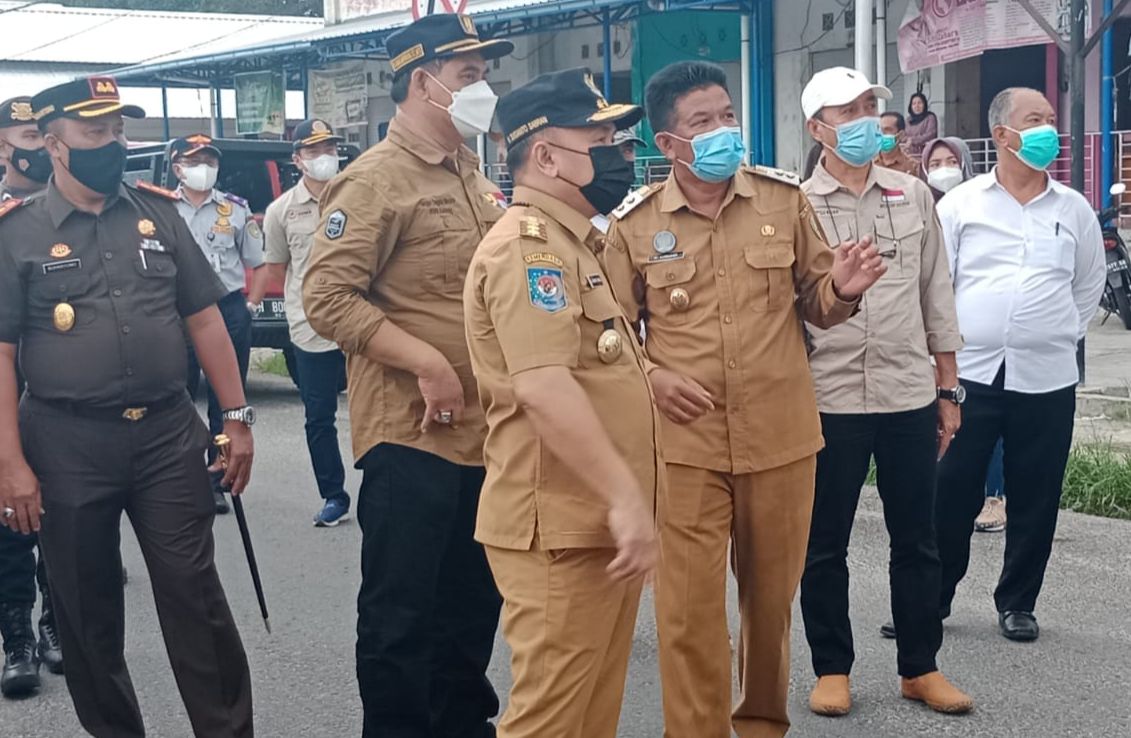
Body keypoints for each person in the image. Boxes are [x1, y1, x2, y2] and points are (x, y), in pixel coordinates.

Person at [603, 60, 886, 738]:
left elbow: (819, 306)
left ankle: (761, 725)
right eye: (703, 122)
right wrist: (650, 377)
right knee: (687, 612)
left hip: (781, 441)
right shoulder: (633, 227)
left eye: (727, 115)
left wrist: (843, 288)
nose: (724, 131)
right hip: (685, 450)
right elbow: (606, 337)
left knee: (769, 607)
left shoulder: (782, 202)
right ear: (667, 144)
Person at [0, 75, 255, 737]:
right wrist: (12, 464)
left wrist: (236, 420)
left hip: (168, 434)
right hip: (64, 441)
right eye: (94, 132)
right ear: (54, 144)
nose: (111, 143)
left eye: (117, 130)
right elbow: (0, 356)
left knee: (196, 597)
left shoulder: (157, 210)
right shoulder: (15, 233)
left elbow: (205, 320)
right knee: (86, 611)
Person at [302, 14, 511, 737]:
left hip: (485, 435)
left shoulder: (474, 177)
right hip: (410, 435)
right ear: (422, 83)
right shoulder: (374, 182)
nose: (483, 88)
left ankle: (462, 726)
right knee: (401, 615)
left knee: (471, 606)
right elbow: (326, 298)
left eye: (484, 73)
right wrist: (425, 362)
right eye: (468, 75)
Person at [465, 67, 661, 738]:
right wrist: (624, 498)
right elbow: (544, 387)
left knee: (588, 718)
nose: (619, 155)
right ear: (545, 155)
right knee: (549, 721)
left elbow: (593, 366)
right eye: (600, 139)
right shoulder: (529, 252)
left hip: (589, 523)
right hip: (559, 525)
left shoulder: (577, 243)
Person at [797, 66, 972, 717]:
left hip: (905, 392)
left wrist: (948, 387)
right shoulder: (794, 206)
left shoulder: (912, 194)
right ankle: (830, 667)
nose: (865, 120)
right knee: (823, 543)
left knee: (917, 538)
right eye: (848, 111)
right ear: (817, 128)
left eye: (869, 106)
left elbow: (936, 293)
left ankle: (919, 667)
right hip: (827, 395)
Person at [935, 87, 1105, 642]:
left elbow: (1088, 286)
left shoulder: (1073, 208)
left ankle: (1018, 602)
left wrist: (1047, 333)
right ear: (1002, 135)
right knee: (952, 490)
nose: (1048, 130)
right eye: (1035, 120)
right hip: (972, 375)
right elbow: (939, 285)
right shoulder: (961, 204)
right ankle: (931, 599)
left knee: (1036, 492)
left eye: (1051, 120)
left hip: (1048, 378)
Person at [262, 118, 353, 527]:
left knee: (381, 410)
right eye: (314, 151)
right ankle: (334, 494)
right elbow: (280, 270)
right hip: (311, 328)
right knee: (320, 416)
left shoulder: (360, 197)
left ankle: (384, 490)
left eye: (330, 149)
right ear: (297, 159)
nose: (324, 158)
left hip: (364, 325)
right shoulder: (281, 211)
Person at [0, 94, 61, 698]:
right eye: (24, 133)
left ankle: (55, 621)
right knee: (9, 520)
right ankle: (15, 633)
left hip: (58, 393)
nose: (36, 144)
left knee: (61, 515)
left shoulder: (65, 209)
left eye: (42, 133)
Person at [170, 134, 265, 515]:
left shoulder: (235, 210)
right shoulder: (160, 210)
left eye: (209, 160)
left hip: (226, 308)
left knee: (227, 401)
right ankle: (181, 479)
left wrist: (251, 306)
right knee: (180, 396)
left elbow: (259, 263)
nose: (203, 168)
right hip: (176, 312)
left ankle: (217, 481)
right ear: (178, 167)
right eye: (195, 160)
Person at [921, 136, 975, 201]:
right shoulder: (918, 204)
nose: (944, 168)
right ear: (925, 169)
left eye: (952, 162)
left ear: (962, 164)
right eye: (935, 164)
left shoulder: (979, 200)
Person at [875, 111, 921, 177]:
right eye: (879, 130)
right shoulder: (867, 163)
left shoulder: (912, 166)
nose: (881, 134)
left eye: (887, 130)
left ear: (901, 135)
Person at [906, 92, 939, 158]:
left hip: (926, 155)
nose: (916, 106)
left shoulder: (930, 117)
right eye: (914, 104)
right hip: (910, 156)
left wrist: (913, 140)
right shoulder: (908, 120)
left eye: (919, 103)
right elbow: (904, 136)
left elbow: (930, 135)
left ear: (924, 104)